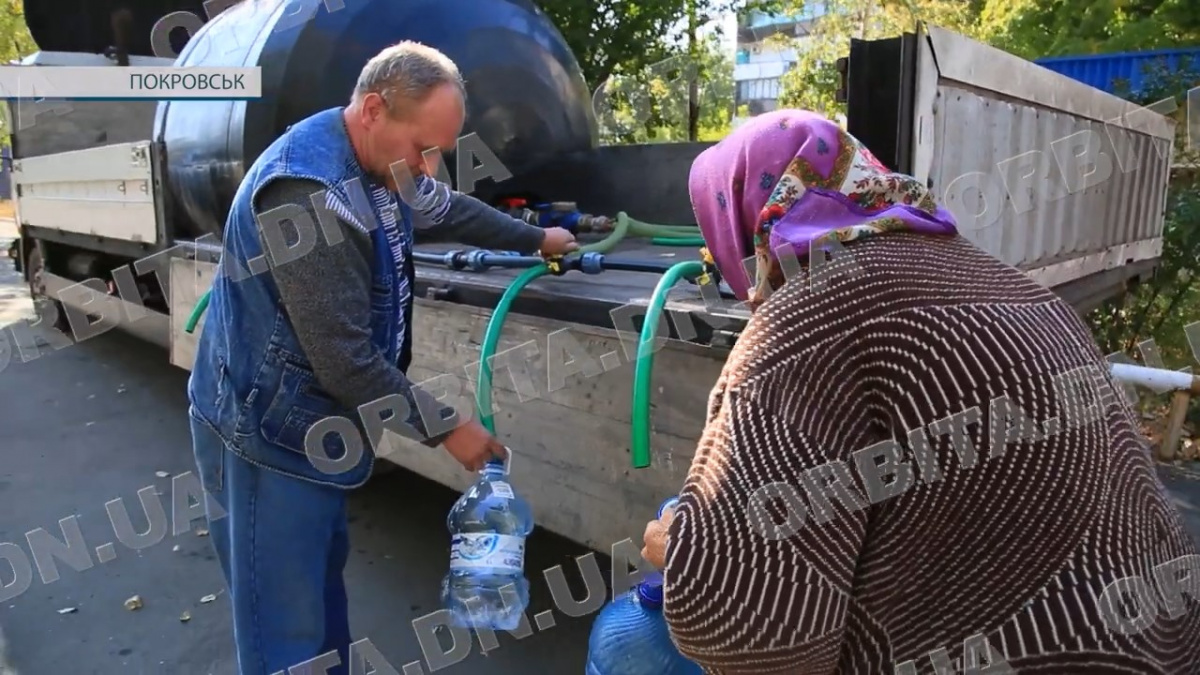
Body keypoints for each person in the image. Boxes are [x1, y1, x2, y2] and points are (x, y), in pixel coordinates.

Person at [640, 109, 1200, 673]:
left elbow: (752, 630)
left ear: (736, 216)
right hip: (1166, 642)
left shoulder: (807, 317)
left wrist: (687, 558)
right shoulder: (1009, 280)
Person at [185, 42, 578, 674]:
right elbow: (345, 361)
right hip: (265, 435)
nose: (429, 167)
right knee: (285, 634)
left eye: (440, 152)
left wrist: (536, 237)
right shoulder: (308, 195)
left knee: (321, 603)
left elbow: (446, 208)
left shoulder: (387, 162)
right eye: (425, 148)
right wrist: (449, 427)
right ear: (373, 109)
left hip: (312, 425)